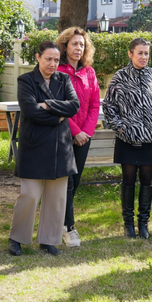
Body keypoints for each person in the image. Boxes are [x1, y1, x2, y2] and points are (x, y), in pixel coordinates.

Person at [8, 41, 80, 256]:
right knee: (29, 195)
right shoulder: (26, 80)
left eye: (56, 60)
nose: (52, 63)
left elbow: (74, 106)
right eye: (48, 58)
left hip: (60, 148)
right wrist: (59, 115)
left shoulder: (64, 79)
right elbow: (30, 111)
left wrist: (48, 105)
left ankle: (49, 239)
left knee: (57, 197)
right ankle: (17, 238)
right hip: (34, 146)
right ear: (38, 57)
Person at [102, 37, 152, 239]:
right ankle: (128, 225)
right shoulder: (120, 77)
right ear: (130, 54)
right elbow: (109, 106)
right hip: (128, 139)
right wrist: (120, 127)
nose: (144, 57)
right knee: (128, 180)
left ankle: (143, 224)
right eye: (140, 53)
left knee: (148, 181)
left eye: (146, 53)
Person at [56, 27, 100, 247]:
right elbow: (58, 105)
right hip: (63, 134)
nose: (78, 48)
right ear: (65, 46)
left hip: (84, 136)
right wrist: (75, 131)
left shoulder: (89, 72)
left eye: (82, 44)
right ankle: (68, 228)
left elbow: (94, 105)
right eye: (74, 44)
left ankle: (60, 222)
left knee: (76, 180)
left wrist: (86, 133)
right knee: (67, 182)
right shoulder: (58, 70)